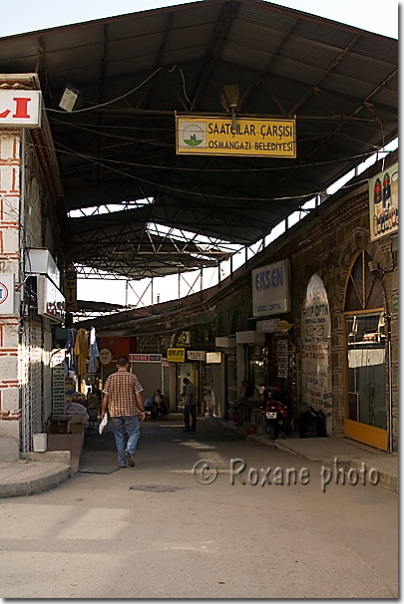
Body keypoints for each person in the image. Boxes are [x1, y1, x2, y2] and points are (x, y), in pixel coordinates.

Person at [101, 356, 146, 468]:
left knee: (119, 436)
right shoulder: (132, 378)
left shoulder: (110, 378)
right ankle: (129, 450)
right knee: (134, 432)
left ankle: (121, 462)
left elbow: (105, 397)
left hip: (115, 412)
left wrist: (103, 410)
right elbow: (138, 395)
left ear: (117, 365)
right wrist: (142, 409)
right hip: (130, 411)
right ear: (128, 364)